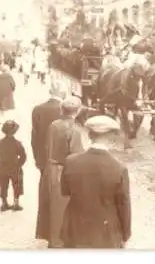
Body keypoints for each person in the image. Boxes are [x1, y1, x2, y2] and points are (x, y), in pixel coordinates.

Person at [60, 115, 132, 249]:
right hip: (105, 233)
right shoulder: (119, 169)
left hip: (75, 229)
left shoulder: (70, 161)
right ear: (112, 138)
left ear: (89, 136)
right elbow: (124, 205)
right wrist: (125, 234)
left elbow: (65, 191)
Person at [39, 96, 85, 248]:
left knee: (51, 206)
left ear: (61, 110)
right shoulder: (74, 131)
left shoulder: (53, 125)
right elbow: (75, 156)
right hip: (64, 171)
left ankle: (52, 239)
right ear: (77, 112)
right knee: (63, 207)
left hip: (50, 169)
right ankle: (61, 241)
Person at [33, 81, 67, 242]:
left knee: (45, 194)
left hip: (44, 160)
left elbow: (34, 138)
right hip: (62, 161)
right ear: (62, 94)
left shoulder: (38, 109)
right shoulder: (65, 111)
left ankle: (45, 230)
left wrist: (38, 159)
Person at [0, 120, 26, 211]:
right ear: (15, 131)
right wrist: (19, 164)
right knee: (17, 185)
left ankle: (4, 203)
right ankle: (16, 203)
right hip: (14, 169)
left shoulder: (0, 142)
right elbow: (23, 156)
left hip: (2, 168)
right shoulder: (17, 143)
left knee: (3, 186)